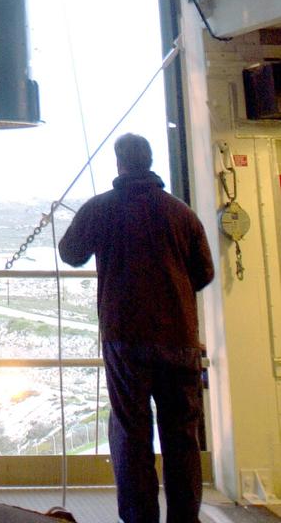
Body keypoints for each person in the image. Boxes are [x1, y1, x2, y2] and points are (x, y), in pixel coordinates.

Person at [58, 132, 215, 523]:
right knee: (182, 435)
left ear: (119, 164)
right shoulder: (182, 214)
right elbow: (204, 272)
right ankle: (184, 519)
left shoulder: (101, 209)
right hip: (179, 339)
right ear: (149, 161)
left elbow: (70, 252)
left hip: (125, 339)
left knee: (131, 433)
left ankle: (139, 518)